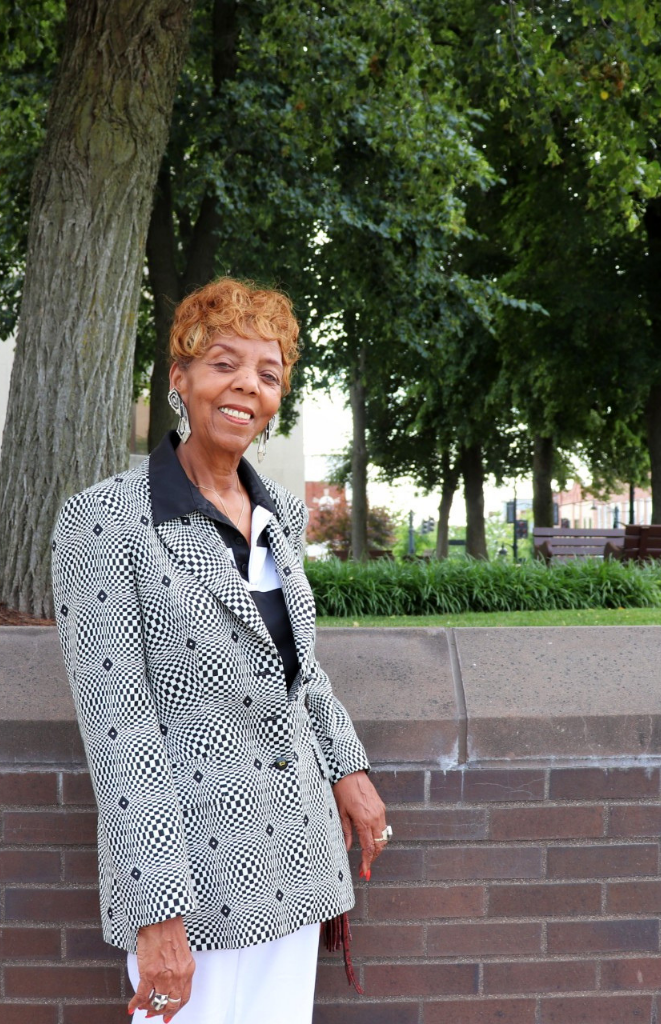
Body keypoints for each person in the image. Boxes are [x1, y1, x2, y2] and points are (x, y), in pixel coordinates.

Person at [51, 278, 387, 1023]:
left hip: (299, 857)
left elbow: (299, 668)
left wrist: (349, 768)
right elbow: (119, 730)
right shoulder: (105, 520)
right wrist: (157, 910)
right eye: (224, 364)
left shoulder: (279, 513)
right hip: (196, 878)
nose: (247, 386)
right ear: (180, 378)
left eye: (268, 374)